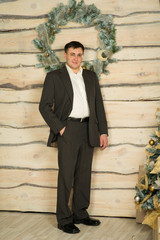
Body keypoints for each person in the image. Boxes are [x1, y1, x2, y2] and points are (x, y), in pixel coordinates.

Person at [39, 41, 108, 234]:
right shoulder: (54, 77)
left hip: (89, 129)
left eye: (79, 54)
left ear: (82, 56)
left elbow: (98, 106)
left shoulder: (91, 76)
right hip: (67, 129)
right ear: (65, 56)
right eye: (72, 54)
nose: (75, 58)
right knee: (66, 175)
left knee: (84, 174)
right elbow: (44, 106)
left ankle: (80, 213)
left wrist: (103, 131)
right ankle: (64, 219)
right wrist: (60, 128)